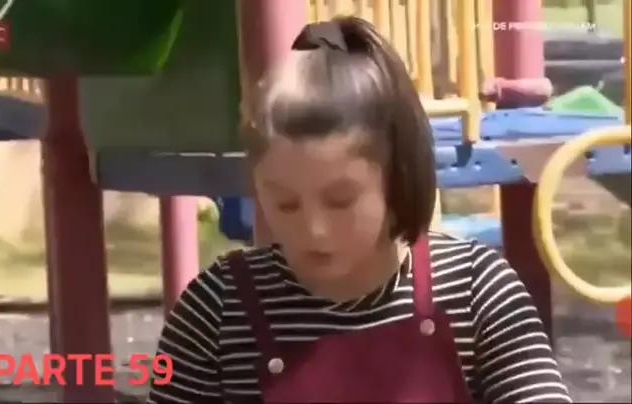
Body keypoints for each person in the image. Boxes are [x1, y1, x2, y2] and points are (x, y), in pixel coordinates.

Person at [147, 17, 571, 404]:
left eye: (340, 200)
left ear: (397, 177)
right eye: (285, 203)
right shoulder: (216, 310)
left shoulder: (476, 290)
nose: (313, 229)